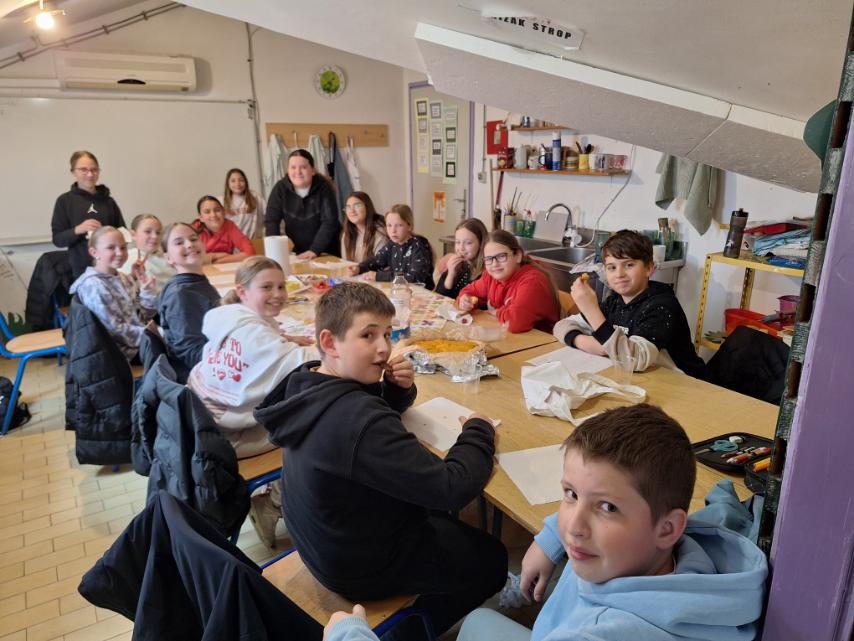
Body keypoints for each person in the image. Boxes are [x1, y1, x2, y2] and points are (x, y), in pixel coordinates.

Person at [324, 404, 768, 641]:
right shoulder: (687, 556)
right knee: (480, 620)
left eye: (607, 508)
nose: (574, 525)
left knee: (477, 621)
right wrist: (550, 537)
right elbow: (585, 516)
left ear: (668, 528)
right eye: (571, 494)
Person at [254, 282, 507, 637]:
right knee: (493, 558)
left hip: (320, 543)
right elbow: (451, 488)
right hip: (358, 568)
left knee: (434, 512)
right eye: (368, 335)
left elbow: (356, 426)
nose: (384, 347)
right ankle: (405, 632)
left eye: (387, 334)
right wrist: (479, 430)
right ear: (330, 342)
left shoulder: (306, 381)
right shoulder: (358, 422)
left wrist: (393, 393)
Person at [187, 256, 317, 547]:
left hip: (201, 423)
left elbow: (261, 346)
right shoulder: (256, 335)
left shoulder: (229, 316)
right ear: (242, 291)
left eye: (281, 286)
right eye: (267, 287)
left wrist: (285, 338)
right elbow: (315, 361)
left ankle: (277, 498)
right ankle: (273, 504)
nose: (278, 294)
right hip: (223, 440)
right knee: (309, 425)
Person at [552, 230, 708, 379]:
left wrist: (592, 311)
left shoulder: (662, 305)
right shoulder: (614, 302)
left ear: (649, 268)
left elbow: (633, 360)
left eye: (629, 265)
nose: (619, 274)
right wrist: (600, 346)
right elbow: (560, 327)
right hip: (647, 379)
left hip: (687, 383)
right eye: (612, 267)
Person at [69, 226, 156, 361]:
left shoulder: (122, 278)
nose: (120, 253)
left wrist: (147, 291)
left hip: (139, 341)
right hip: (122, 353)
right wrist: (155, 336)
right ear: (94, 252)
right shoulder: (94, 286)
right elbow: (115, 330)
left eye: (123, 247)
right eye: (111, 248)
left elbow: (142, 317)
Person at [457, 230, 560, 333]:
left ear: (518, 256)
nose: (494, 264)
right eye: (488, 259)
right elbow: (467, 292)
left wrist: (497, 312)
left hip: (541, 341)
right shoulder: (490, 276)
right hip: (509, 337)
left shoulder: (533, 281)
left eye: (501, 256)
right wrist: (466, 300)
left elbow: (515, 323)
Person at [157, 222, 220, 382]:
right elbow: (190, 352)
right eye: (179, 242)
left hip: (216, 358)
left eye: (193, 239)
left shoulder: (195, 281)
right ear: (168, 258)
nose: (190, 244)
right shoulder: (181, 294)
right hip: (204, 376)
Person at [51, 150, 126, 280]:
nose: (90, 174)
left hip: (110, 267)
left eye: (94, 169)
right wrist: (78, 229)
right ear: (73, 172)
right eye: (83, 170)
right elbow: (58, 240)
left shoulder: (108, 201)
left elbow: (122, 232)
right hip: (81, 270)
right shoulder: (64, 201)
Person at [265, 149, 340, 259]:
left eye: (303, 167)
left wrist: (315, 250)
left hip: (327, 250)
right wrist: (274, 251)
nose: (298, 172)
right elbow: (271, 221)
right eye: (293, 167)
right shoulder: (280, 189)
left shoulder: (324, 188)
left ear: (312, 171)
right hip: (300, 251)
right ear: (288, 170)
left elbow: (329, 222)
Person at [349, 204, 434, 288]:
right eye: (389, 225)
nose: (393, 231)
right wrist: (359, 268)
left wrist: (378, 276)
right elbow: (377, 260)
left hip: (421, 293)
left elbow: (415, 278)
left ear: (409, 226)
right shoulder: (392, 244)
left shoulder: (419, 246)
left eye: (399, 225)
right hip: (400, 290)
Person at [119, 213, 175, 293]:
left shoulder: (170, 257)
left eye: (158, 232)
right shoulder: (125, 258)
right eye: (148, 232)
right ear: (133, 234)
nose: (155, 236)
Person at [434, 217, 488, 299]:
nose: (461, 248)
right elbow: (439, 297)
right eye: (458, 242)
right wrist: (451, 274)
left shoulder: (487, 272)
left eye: (468, 243)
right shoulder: (458, 265)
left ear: (481, 243)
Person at [192, 195, 255, 264]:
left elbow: (250, 253)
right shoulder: (193, 230)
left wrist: (216, 261)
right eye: (207, 212)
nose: (213, 215)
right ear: (201, 218)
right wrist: (215, 255)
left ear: (224, 212)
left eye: (217, 210)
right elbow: (191, 259)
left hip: (224, 268)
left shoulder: (230, 226)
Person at [340, 191, 388, 262]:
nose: (352, 211)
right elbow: (346, 263)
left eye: (357, 206)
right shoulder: (347, 234)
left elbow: (381, 265)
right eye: (348, 207)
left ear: (367, 207)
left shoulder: (380, 234)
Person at [223, 167, 265, 239]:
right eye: (233, 181)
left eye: (241, 180)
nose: (237, 184)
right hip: (233, 242)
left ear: (246, 182)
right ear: (228, 183)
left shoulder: (255, 196)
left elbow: (269, 214)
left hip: (254, 241)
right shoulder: (222, 201)